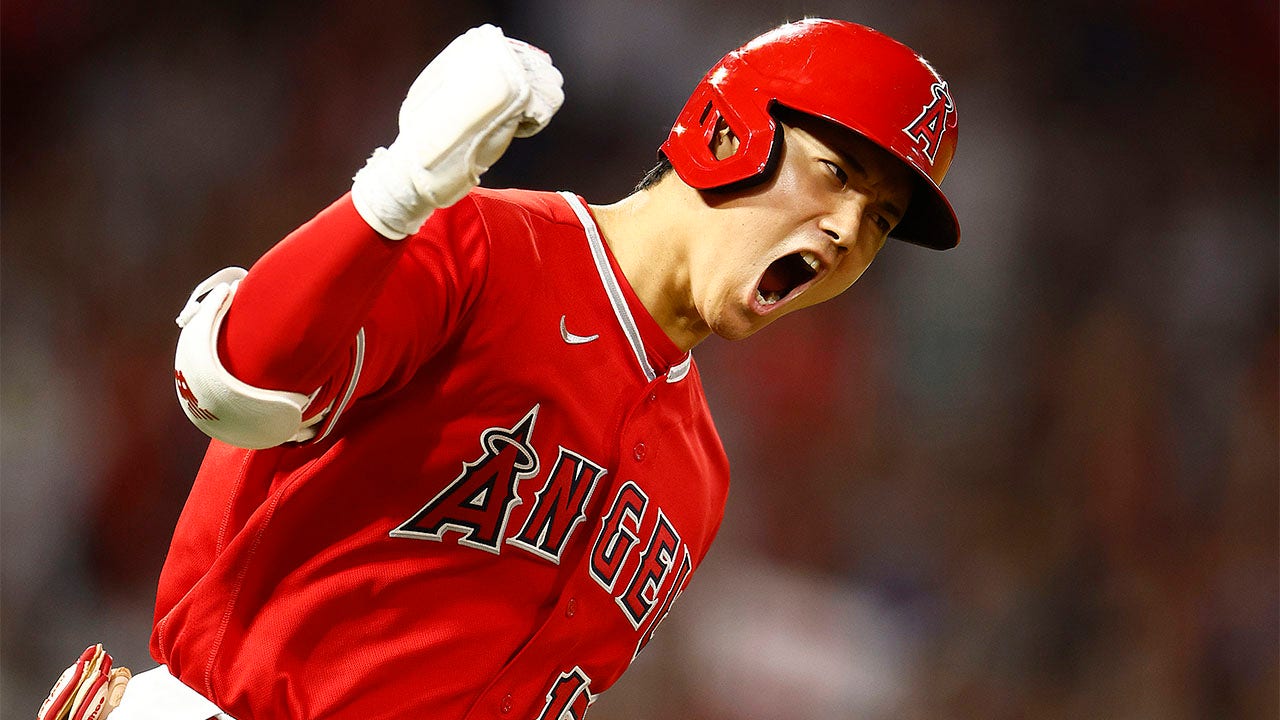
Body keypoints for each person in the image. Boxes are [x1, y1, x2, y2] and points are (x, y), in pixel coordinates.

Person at [42, 17, 959, 720]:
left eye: (879, 220)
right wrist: (392, 195)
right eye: (836, 173)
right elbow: (236, 388)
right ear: (728, 133)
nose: (848, 233)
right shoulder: (489, 248)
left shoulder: (700, 474)